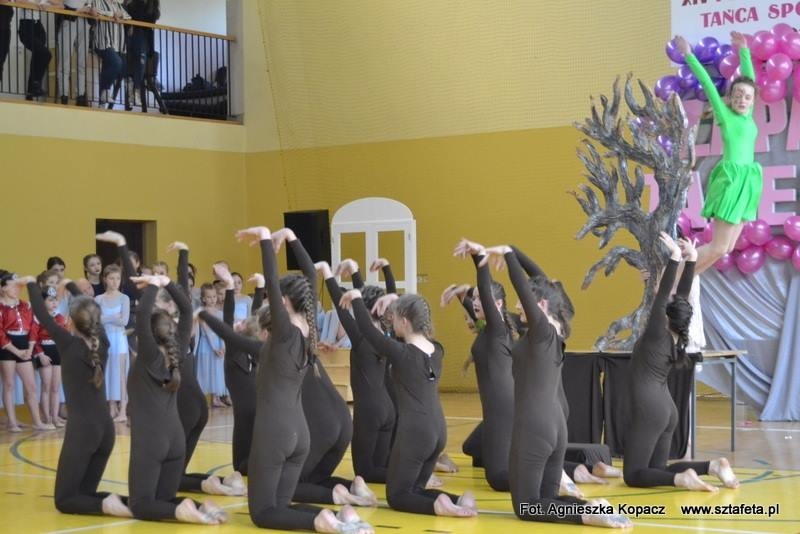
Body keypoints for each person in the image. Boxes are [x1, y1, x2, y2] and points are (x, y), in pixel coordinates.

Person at [235, 226, 373, 533]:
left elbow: (273, 281)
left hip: (275, 432)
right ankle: (339, 517)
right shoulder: (309, 329)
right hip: (300, 433)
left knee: (262, 513)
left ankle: (320, 520)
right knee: (281, 506)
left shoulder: (284, 333)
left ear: (283, 302)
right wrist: (291, 236)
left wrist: (265, 239)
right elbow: (310, 274)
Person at [481, 244, 629, 527]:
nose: (517, 306)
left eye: (523, 302)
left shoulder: (541, 332)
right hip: (556, 425)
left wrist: (509, 255)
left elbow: (525, 286)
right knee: (546, 498)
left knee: (526, 506)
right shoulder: (557, 328)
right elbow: (542, 282)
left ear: (541, 305)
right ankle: (590, 507)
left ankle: (585, 515)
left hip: (534, 426)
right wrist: (514, 251)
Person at [339, 288, 477, 518]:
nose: (391, 323)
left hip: (416, 432)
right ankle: (457, 500)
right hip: (438, 431)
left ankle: (438, 506)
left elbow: (367, 331)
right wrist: (396, 300)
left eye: (393, 319)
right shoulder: (437, 350)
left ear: (404, 321)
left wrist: (356, 298)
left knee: (398, 495)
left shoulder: (401, 353)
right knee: (416, 489)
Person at [623, 232, 739, 491]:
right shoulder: (677, 335)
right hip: (667, 410)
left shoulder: (657, 332)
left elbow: (664, 295)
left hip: (650, 409)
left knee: (633, 475)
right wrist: (692, 259)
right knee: (657, 470)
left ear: (666, 313)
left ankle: (682, 479)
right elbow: (680, 296)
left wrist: (676, 257)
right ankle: (713, 466)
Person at [24, 276, 132, 517]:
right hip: (106, 432)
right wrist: (71, 285)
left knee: (65, 500)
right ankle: (126, 503)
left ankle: (106, 505)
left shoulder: (68, 344)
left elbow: (41, 314)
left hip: (83, 431)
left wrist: (31, 282)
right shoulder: (103, 343)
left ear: (70, 322)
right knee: (83, 495)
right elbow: (88, 308)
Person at [127, 273, 226, 524]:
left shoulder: (149, 356)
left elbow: (142, 314)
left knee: (140, 505)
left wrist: (153, 285)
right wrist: (165, 282)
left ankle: (181, 511)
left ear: (147, 335)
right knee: (163, 499)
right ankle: (198, 506)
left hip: (152, 440)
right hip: (175, 440)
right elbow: (186, 308)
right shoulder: (178, 350)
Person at [675, 32, 760, 274]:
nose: (742, 100)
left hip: (748, 180)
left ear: (752, 100)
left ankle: (685, 281)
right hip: (731, 180)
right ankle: (670, 277)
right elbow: (708, 85)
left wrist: (744, 50)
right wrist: (688, 55)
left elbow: (749, 79)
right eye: (737, 96)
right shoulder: (726, 116)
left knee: (726, 248)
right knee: (719, 246)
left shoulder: (748, 115)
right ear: (730, 99)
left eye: (747, 97)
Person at [1, 269, 53, 431]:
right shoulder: (1, 307)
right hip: (7, 346)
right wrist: (16, 351)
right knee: (9, 384)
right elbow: (0, 333)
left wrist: (30, 348)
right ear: (3, 288)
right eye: (12, 286)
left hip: (24, 344)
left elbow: (33, 328)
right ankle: (12, 422)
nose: (17, 289)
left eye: (18, 286)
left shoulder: (26, 305)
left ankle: (37, 421)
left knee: (31, 386)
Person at [95, 265, 130, 422]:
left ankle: (123, 410)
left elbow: (124, 321)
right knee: (108, 372)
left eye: (118, 278)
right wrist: (114, 317)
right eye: (111, 278)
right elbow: (97, 321)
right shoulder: (99, 299)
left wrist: (106, 318)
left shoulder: (124, 298)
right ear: (105, 279)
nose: (115, 282)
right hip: (105, 339)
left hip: (119, 339)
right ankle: (111, 407)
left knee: (121, 374)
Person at [30, 285, 66, 427]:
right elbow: (33, 337)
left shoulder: (60, 317)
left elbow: (64, 336)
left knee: (56, 388)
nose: (54, 303)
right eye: (50, 300)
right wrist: (40, 354)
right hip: (44, 351)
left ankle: (55, 417)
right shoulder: (38, 318)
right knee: (46, 386)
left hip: (57, 351)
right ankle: (47, 418)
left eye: (55, 299)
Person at [89, 0, 129, 106]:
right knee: (117, 63)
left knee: (108, 68)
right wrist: (113, 14)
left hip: (117, 43)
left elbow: (128, 16)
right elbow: (96, 11)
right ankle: (106, 90)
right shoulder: (98, 1)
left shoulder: (117, 5)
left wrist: (120, 14)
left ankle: (101, 103)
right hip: (103, 41)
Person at [16, 0, 54, 99]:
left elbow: (60, 5)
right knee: (46, 54)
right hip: (26, 24)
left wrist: (47, 3)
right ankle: (36, 84)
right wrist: (37, 5)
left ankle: (31, 91)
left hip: (38, 26)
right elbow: (19, 1)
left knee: (37, 56)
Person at [57, 0, 93, 105]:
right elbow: (59, 3)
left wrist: (89, 9)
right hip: (69, 19)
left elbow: (90, 3)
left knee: (82, 62)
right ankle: (64, 95)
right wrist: (78, 10)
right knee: (65, 60)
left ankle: (80, 95)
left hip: (85, 20)